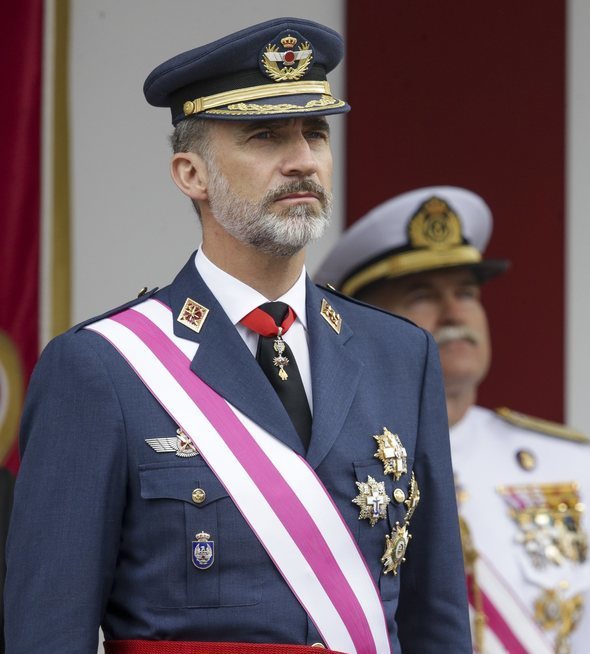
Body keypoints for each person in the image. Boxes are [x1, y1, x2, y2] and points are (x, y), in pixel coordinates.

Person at [5, 18, 470, 653]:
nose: (302, 159)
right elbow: (47, 629)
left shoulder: (400, 354)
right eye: (265, 136)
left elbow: (434, 616)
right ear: (191, 174)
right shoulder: (103, 366)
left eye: (315, 133)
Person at [316, 186, 590, 653]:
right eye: (422, 295)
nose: (456, 313)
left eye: (466, 292)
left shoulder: (567, 463)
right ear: (369, 324)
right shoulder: (325, 464)